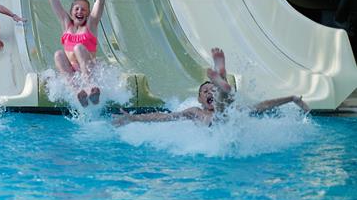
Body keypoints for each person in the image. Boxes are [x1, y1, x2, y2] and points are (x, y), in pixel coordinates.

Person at [114, 47, 311, 126]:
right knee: (225, 108)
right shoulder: (195, 112)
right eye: (205, 92)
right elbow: (163, 117)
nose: (208, 93)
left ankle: (222, 83)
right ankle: (222, 82)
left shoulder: (235, 111)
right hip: (217, 127)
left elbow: (264, 105)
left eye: (211, 89)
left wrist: (291, 98)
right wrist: (133, 118)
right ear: (200, 99)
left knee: (228, 109)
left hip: (226, 124)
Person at [46, 0, 105, 107]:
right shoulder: (66, 24)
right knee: (58, 54)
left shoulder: (91, 25)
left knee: (79, 48)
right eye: (77, 9)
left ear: (88, 13)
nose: (80, 11)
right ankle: (77, 92)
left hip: (90, 70)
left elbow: (100, 1)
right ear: (71, 12)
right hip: (73, 72)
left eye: (84, 9)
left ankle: (91, 87)